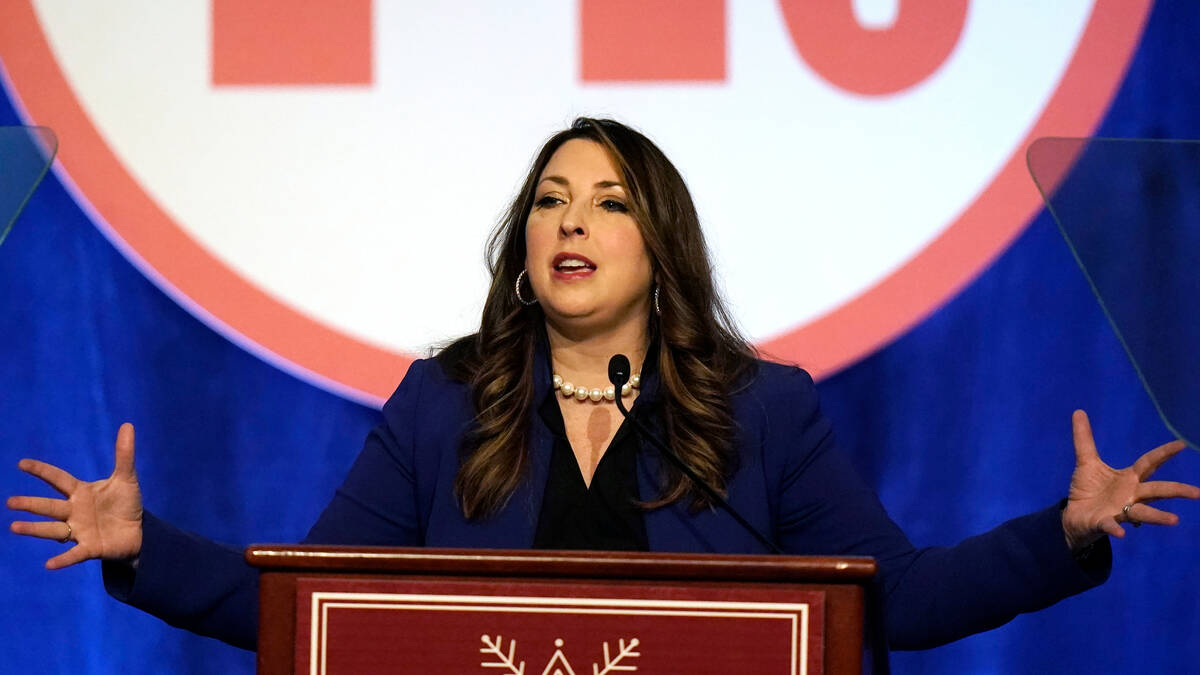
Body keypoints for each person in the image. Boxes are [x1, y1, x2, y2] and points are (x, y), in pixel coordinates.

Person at [8, 118, 1199, 658]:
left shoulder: (762, 410)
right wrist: (140, 551)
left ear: (658, 245)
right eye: (549, 200)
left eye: (609, 202)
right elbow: (321, 612)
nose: (570, 220)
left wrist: (1064, 536)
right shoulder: (445, 404)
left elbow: (899, 604)